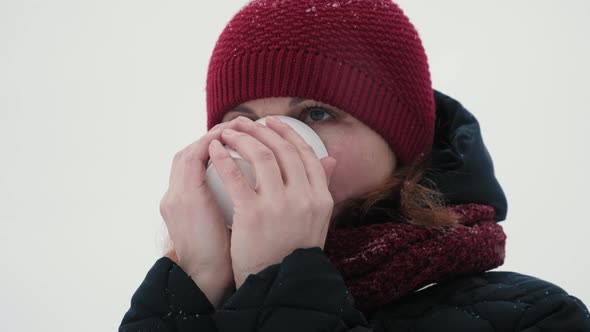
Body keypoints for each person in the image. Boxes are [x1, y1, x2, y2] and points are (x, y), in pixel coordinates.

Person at [119, 0, 590, 331]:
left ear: (400, 148)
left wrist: (281, 279)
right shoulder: (190, 297)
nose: (270, 146)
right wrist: (196, 281)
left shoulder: (535, 316)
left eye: (315, 114)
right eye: (242, 123)